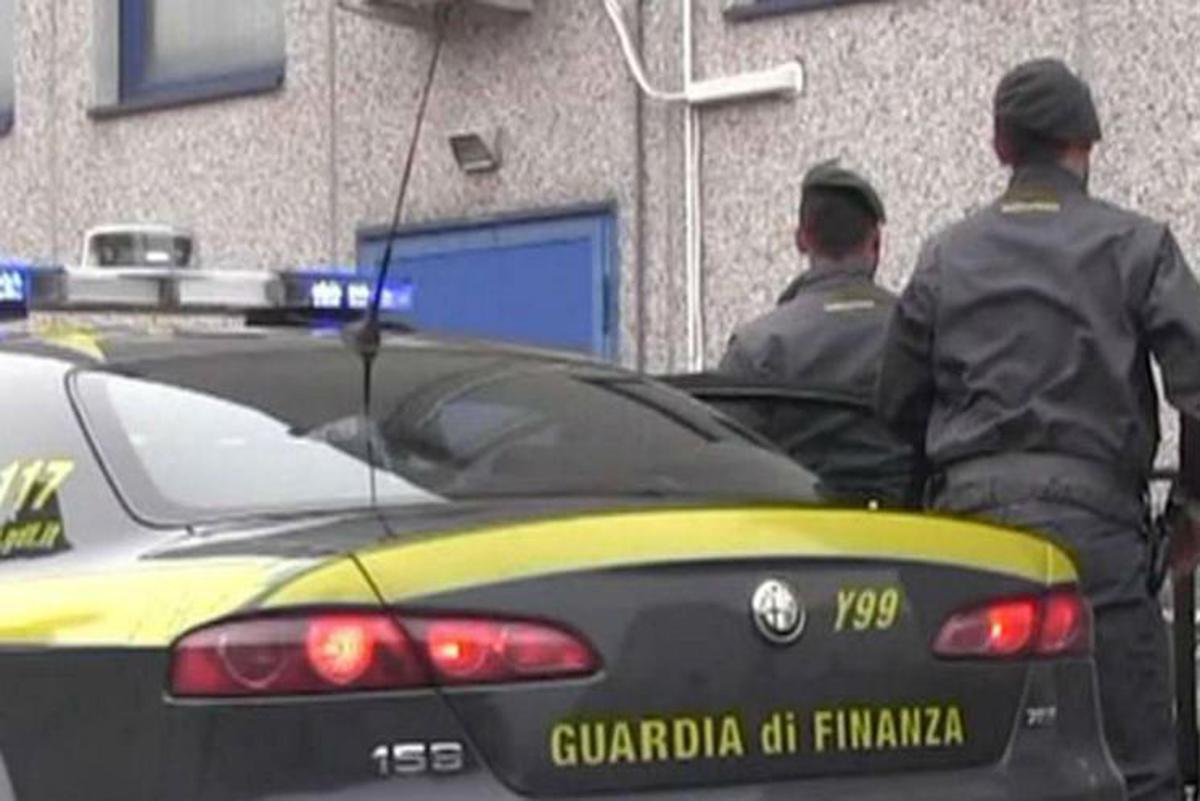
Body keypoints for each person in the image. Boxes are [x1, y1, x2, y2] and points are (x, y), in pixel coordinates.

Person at [876, 57, 1200, 801]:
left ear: (1000, 147)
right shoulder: (1138, 244)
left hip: (971, 532)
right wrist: (1189, 508)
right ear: (1087, 141)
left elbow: (895, 402)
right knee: (1138, 768)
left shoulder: (945, 254)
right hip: (1097, 533)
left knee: (972, 764)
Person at [719, 160, 920, 508]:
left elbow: (730, 459)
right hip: (907, 526)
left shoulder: (757, 344)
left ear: (801, 239)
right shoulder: (920, 330)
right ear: (876, 243)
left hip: (797, 528)